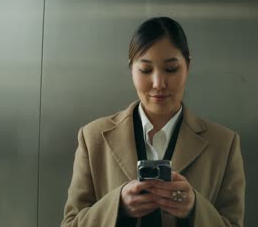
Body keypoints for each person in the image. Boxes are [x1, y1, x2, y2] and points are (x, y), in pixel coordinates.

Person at [60, 17, 245, 227]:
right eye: (146, 70)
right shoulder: (93, 138)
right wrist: (117, 205)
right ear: (131, 69)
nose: (158, 84)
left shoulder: (224, 144)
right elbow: (70, 224)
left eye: (171, 69)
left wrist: (195, 209)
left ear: (188, 65)